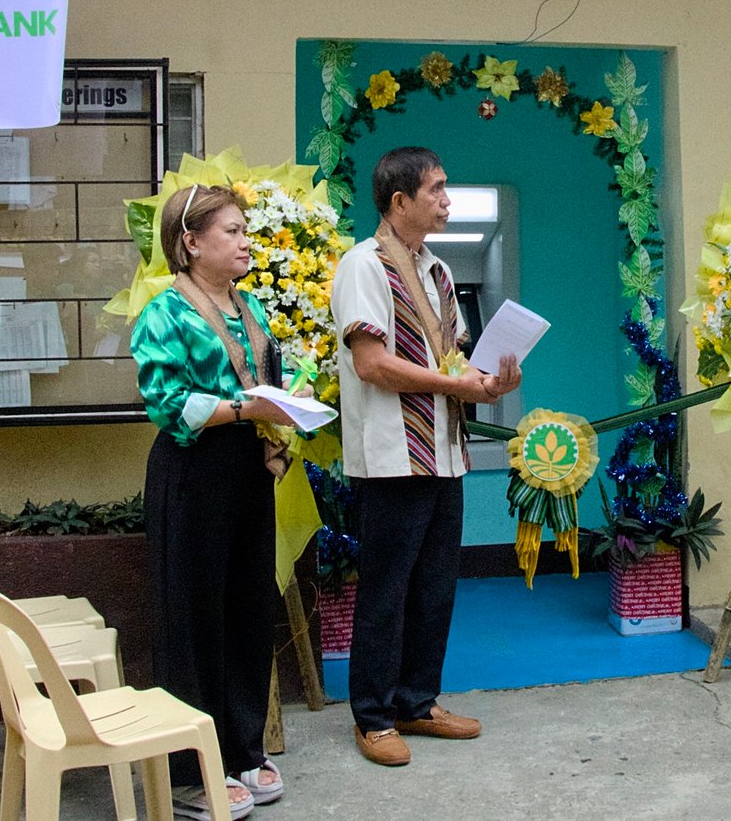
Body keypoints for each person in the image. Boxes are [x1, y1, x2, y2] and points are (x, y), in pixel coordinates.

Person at [331, 147, 521, 767]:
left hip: (446, 454)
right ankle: (373, 717)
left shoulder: (439, 271)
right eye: (436, 190)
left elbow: (453, 360)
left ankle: (417, 701)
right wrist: (459, 385)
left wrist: (489, 383)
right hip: (391, 458)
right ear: (399, 202)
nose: (447, 200)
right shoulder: (363, 266)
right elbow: (373, 365)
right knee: (385, 590)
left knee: (435, 586)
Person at [130, 183, 296, 818]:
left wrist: (280, 426)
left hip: (247, 471)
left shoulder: (246, 305)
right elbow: (168, 405)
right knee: (192, 618)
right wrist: (242, 409)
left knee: (249, 609)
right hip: (192, 473)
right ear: (190, 242)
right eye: (231, 231)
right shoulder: (165, 313)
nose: (245, 241)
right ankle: (191, 771)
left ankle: (243, 750)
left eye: (245, 229)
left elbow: (267, 381)